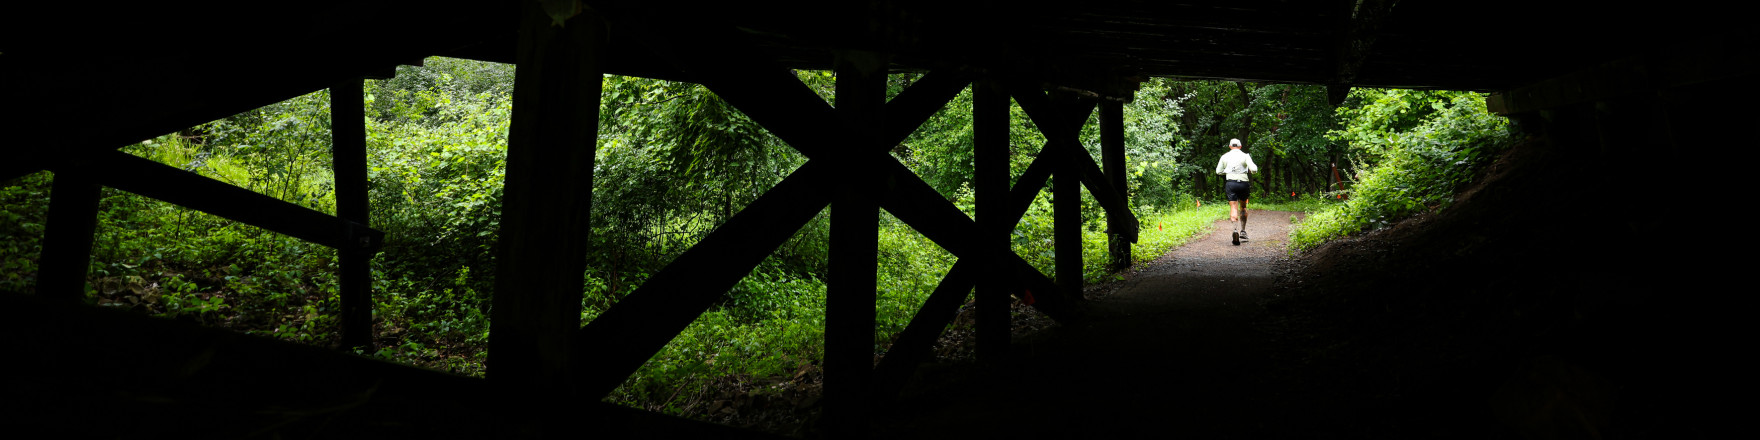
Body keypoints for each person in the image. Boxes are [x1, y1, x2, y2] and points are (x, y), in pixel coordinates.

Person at [1215, 138, 1258, 245]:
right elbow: (1254, 169)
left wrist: (1229, 170)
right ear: (1240, 146)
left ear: (1230, 146)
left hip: (1231, 183)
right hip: (1243, 183)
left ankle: (1235, 230)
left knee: (1233, 207)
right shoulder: (1245, 156)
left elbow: (1218, 171)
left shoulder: (1224, 156)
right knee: (1243, 207)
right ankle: (1243, 231)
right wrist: (1249, 170)